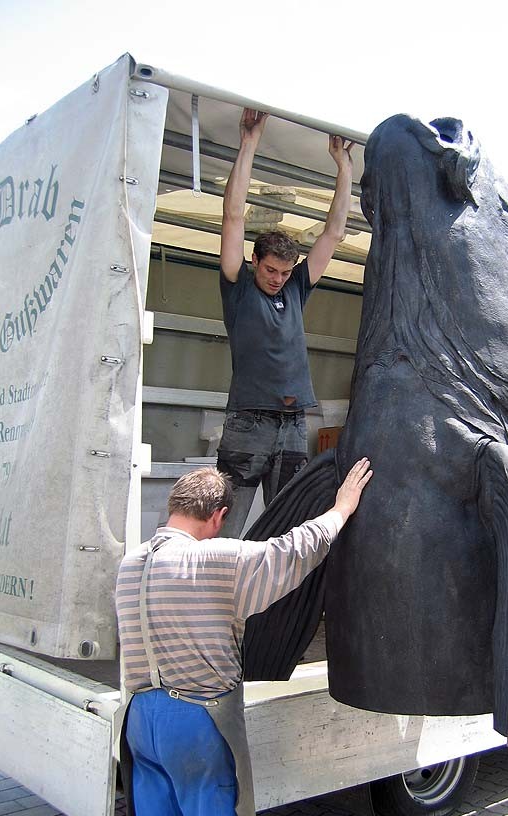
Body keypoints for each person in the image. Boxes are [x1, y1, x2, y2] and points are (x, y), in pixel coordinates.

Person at [115, 456, 373, 816]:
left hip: (139, 721)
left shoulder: (130, 564)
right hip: (197, 723)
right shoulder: (215, 558)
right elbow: (292, 551)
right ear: (218, 516)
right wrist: (341, 509)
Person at [217, 107, 355, 536]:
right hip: (248, 423)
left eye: (284, 272)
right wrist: (250, 142)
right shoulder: (239, 286)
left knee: (289, 530)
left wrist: (344, 167)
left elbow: (333, 233)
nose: (277, 278)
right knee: (227, 527)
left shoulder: (296, 288)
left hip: (294, 424)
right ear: (254, 261)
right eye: (270, 270)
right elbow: (233, 216)